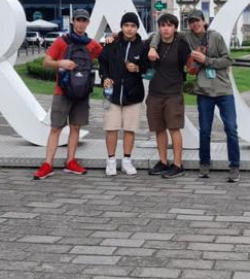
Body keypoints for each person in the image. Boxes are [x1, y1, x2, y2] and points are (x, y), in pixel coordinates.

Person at [148, 10, 240, 182]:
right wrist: (153, 47)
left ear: (204, 21)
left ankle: (234, 166)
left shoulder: (215, 37)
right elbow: (160, 33)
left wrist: (206, 60)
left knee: (231, 129)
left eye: (197, 21)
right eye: (191, 22)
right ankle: (204, 164)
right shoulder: (186, 37)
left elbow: (228, 60)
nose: (195, 24)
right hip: (204, 91)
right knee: (204, 131)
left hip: (223, 90)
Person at [33, 9, 103, 179]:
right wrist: (60, 62)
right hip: (62, 91)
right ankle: (48, 163)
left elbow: (105, 55)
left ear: (87, 23)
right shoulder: (61, 42)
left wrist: (114, 38)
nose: (80, 23)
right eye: (78, 20)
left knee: (76, 127)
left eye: (84, 20)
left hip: (82, 91)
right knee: (56, 128)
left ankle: (70, 161)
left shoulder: (92, 44)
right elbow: (46, 62)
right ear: (73, 22)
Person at [98, 12, 146, 176]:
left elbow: (149, 68)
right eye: (126, 25)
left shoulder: (143, 46)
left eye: (133, 26)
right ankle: (111, 160)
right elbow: (101, 59)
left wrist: (137, 68)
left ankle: (127, 160)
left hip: (133, 95)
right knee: (111, 128)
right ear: (122, 26)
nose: (129, 29)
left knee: (129, 129)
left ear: (137, 28)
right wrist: (105, 79)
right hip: (112, 93)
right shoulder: (111, 42)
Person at [146, 14, 191, 179]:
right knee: (158, 129)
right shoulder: (151, 43)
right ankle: (163, 161)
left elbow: (191, 65)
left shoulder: (181, 45)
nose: (166, 28)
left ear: (175, 28)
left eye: (169, 25)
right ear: (159, 27)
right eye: (163, 25)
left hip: (173, 94)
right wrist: (112, 38)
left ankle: (178, 164)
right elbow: (129, 43)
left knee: (174, 128)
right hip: (155, 93)